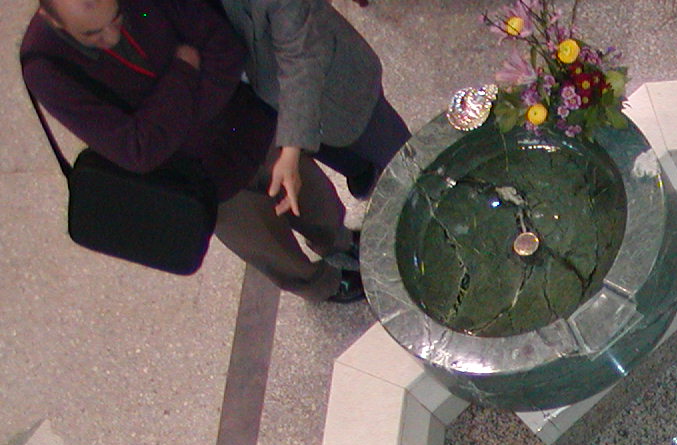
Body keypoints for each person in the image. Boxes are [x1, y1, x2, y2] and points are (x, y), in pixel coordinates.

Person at [21, 0, 363, 301]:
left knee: (311, 194)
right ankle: (322, 285)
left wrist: (167, 124)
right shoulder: (46, 67)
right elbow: (137, 151)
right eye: (92, 35)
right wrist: (183, 72)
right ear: (53, 21)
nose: (112, 36)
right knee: (266, 244)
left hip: (249, 126)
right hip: (201, 179)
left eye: (117, 17)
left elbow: (225, 49)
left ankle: (338, 240)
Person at [215, 0, 409, 210]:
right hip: (276, 101)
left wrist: (291, 148)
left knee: (403, 159)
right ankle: (361, 170)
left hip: (339, 88)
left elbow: (301, 52)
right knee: (333, 149)